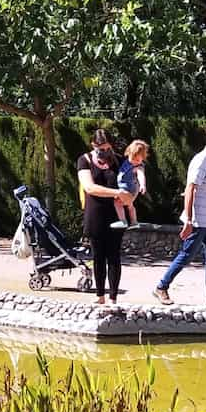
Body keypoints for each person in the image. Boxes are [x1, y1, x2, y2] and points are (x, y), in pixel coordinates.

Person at [153, 126, 206, 307]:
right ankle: (161, 286)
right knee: (186, 255)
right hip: (198, 220)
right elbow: (190, 188)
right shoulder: (202, 160)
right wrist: (188, 219)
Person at [76, 129, 134, 306]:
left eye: (107, 147)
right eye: (100, 148)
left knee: (114, 256)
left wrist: (130, 196)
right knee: (98, 256)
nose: (104, 151)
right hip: (95, 215)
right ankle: (99, 296)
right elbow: (90, 187)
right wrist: (117, 192)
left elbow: (132, 182)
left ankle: (113, 298)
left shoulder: (119, 161)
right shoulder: (84, 160)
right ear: (93, 145)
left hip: (116, 214)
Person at [110, 139, 150, 229]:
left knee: (117, 203)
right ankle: (134, 222)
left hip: (129, 189)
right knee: (130, 205)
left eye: (138, 160)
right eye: (133, 159)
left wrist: (143, 185)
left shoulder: (138, 167)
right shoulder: (127, 162)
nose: (134, 162)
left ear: (142, 159)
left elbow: (141, 175)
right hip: (125, 188)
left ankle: (123, 221)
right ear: (128, 153)